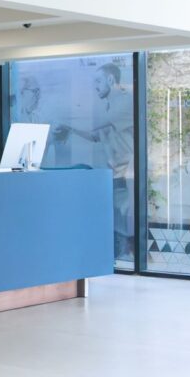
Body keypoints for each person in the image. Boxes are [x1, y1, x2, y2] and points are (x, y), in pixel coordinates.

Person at [54, 63, 134, 262]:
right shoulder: (109, 106)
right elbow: (94, 135)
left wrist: (66, 122)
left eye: (98, 81)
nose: (95, 86)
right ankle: (116, 257)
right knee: (115, 218)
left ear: (110, 80)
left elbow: (97, 124)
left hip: (128, 172)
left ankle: (129, 256)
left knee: (123, 219)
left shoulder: (125, 101)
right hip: (115, 173)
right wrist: (71, 129)